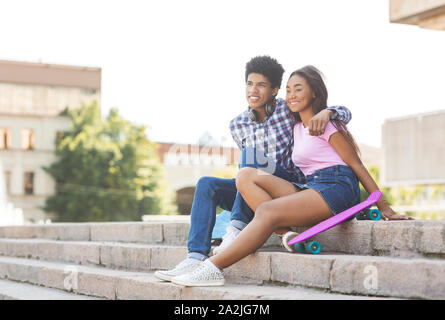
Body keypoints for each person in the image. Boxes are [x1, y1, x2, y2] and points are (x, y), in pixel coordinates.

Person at [170, 65, 414, 287]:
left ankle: (212, 268)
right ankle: (284, 234)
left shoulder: (327, 125)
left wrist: (384, 205)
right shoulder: (296, 127)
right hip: (309, 186)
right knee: (245, 176)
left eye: (298, 89)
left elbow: (357, 165)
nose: (292, 95)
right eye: (289, 90)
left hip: (337, 185)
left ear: (314, 94)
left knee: (266, 212)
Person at [154, 57, 352, 282]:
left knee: (250, 157)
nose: (253, 90)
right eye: (250, 84)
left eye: (261, 85)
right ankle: (195, 256)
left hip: (287, 183)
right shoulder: (237, 124)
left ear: (275, 90)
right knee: (207, 184)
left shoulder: (287, 110)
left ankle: (236, 228)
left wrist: (329, 113)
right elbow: (246, 171)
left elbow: (342, 112)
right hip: (253, 183)